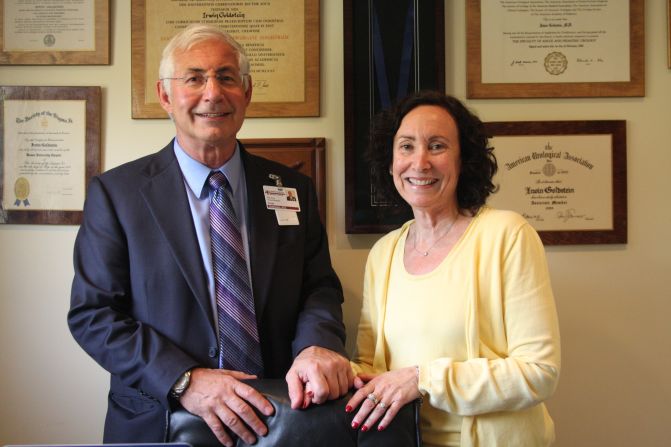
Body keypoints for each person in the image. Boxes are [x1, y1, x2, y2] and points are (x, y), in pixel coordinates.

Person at [68, 24, 352, 447]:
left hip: (281, 416)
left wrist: (317, 346)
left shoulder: (293, 188)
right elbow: (94, 315)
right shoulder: (117, 195)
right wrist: (184, 380)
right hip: (162, 419)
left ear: (247, 93)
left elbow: (319, 288)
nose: (213, 93)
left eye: (226, 77)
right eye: (194, 78)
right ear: (166, 96)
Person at [346, 91, 561, 446]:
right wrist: (328, 367)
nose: (420, 162)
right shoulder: (383, 253)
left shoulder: (507, 235)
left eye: (437, 146)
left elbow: (539, 373)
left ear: (464, 161)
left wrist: (423, 380)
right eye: (406, 146)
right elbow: (369, 368)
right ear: (390, 162)